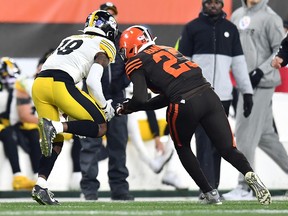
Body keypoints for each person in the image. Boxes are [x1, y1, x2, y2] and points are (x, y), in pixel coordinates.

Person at [117, 25, 271, 205]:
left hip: (184, 102)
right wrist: (136, 106)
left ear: (132, 46)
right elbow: (165, 95)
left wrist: (127, 107)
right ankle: (248, 173)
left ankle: (209, 193)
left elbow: (140, 98)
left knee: (182, 147)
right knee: (228, 149)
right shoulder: (168, 49)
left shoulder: (136, 61)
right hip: (209, 95)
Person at [31, 10, 118, 205]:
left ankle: (40, 185)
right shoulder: (105, 44)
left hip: (39, 84)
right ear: (109, 29)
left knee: (55, 142)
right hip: (60, 84)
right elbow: (94, 82)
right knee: (100, 126)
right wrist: (104, 107)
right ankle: (56, 126)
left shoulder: (71, 37)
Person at [177, 0, 253, 194]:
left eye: (217, 2)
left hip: (223, 97)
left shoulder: (231, 29)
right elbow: (181, 63)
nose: (213, 5)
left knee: (219, 145)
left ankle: (214, 187)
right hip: (197, 95)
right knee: (202, 143)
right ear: (204, 4)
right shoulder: (192, 28)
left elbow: (239, 64)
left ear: (222, 5)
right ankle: (207, 188)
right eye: (209, 2)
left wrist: (247, 92)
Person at [222, 0, 288, 200]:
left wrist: (260, 71)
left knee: (244, 135)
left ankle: (246, 186)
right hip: (243, 84)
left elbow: (281, 50)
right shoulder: (236, 16)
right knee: (266, 137)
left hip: (261, 83)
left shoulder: (271, 18)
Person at [79, 2, 133, 201]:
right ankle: (89, 191)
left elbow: (131, 63)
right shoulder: (87, 40)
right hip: (91, 100)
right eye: (104, 14)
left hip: (117, 99)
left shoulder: (122, 40)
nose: (109, 17)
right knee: (90, 147)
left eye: (111, 14)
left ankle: (120, 190)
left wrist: (122, 83)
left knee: (118, 146)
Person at [126, 83, 188, 189]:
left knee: (176, 133)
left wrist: (157, 137)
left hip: (143, 115)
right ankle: (153, 164)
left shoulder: (143, 81)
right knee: (133, 129)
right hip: (124, 106)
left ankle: (169, 171)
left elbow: (150, 110)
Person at [0, 57, 36, 190]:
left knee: (33, 132)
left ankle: (38, 176)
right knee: (8, 134)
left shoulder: (18, 90)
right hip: (4, 124)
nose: (10, 80)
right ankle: (18, 176)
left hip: (12, 123)